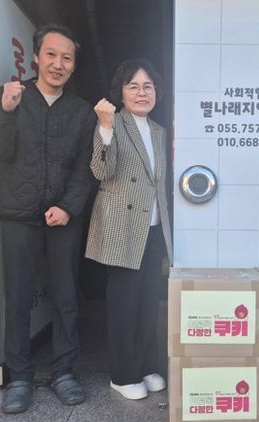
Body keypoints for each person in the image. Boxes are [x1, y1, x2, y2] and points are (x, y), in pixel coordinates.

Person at [0, 23, 95, 414]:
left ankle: (64, 372)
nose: (58, 64)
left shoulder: (81, 112)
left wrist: (69, 207)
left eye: (67, 58)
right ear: (36, 57)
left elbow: (86, 168)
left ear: (74, 65)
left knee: (66, 296)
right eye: (51, 55)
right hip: (18, 214)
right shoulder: (10, 96)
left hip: (63, 216)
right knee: (18, 296)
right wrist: (6, 111)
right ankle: (20, 377)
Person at [85, 59, 173, 400]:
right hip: (122, 225)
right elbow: (101, 171)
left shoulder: (159, 130)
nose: (141, 93)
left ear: (157, 92)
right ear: (120, 93)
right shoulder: (113, 124)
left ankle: (146, 365)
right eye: (133, 86)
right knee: (125, 303)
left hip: (154, 226)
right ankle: (122, 375)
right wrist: (105, 128)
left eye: (148, 86)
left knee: (149, 301)